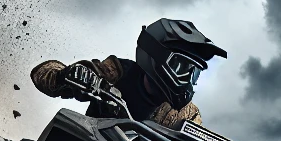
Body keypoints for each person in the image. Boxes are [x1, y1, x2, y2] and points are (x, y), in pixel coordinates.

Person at [30, 18, 227, 126]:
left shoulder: (188, 115)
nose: (188, 79)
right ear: (157, 56)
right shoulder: (118, 71)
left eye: (194, 73)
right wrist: (66, 75)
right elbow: (43, 74)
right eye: (182, 67)